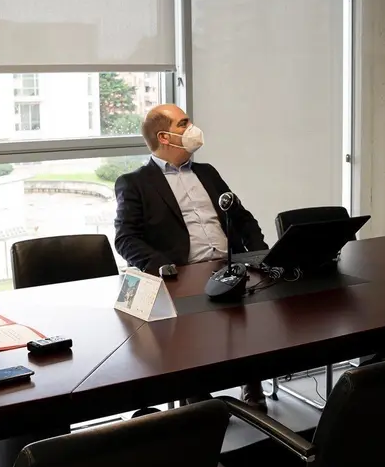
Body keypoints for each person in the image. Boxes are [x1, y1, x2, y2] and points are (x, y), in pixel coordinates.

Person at [113, 103, 270, 405]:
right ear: (164, 137)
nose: (193, 128)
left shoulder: (208, 173)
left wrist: (258, 253)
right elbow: (125, 239)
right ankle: (198, 402)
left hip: (230, 266)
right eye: (183, 124)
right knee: (187, 341)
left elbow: (241, 217)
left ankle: (253, 383)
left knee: (256, 320)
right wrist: (163, 266)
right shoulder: (135, 183)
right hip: (182, 277)